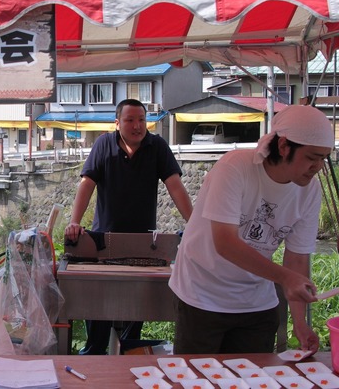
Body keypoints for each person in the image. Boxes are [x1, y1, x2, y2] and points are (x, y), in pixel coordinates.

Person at [169, 105, 334, 354]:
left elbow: (297, 259)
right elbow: (225, 242)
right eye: (312, 157)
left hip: (256, 300)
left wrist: (299, 322)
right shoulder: (235, 167)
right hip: (202, 293)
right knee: (196, 377)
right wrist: (285, 278)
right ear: (284, 146)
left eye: (324, 158)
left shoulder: (309, 191)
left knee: (255, 377)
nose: (318, 167)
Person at [65, 98, 192, 355]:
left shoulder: (157, 146)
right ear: (117, 122)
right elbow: (87, 184)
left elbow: (175, 186)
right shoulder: (103, 144)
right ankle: (96, 356)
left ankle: (126, 360)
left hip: (144, 247)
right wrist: (75, 222)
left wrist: (196, 224)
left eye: (142, 120)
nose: (137, 126)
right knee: (97, 314)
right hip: (102, 243)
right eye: (130, 120)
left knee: (135, 315)